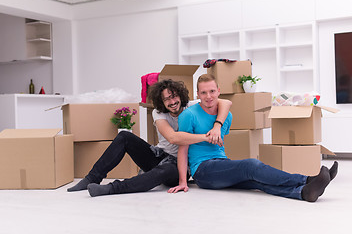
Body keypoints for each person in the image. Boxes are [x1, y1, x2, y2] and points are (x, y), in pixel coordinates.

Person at [168, 74, 338, 202]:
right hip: (202, 171)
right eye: (203, 93)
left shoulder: (226, 116)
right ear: (198, 94)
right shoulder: (189, 115)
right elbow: (183, 148)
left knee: (256, 181)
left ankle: (303, 192)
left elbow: (219, 144)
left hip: (221, 163)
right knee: (251, 165)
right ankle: (308, 178)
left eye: (212, 91)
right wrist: (183, 181)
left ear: (219, 91)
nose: (209, 96)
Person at [67, 79, 232, 197]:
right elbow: (173, 138)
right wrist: (206, 136)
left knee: (166, 170)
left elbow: (225, 102)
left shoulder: (191, 106)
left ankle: (112, 188)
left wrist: (217, 126)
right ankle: (92, 177)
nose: (172, 101)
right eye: (166, 99)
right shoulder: (158, 112)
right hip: (158, 155)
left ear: (181, 95)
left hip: (178, 166)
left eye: (174, 96)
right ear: (161, 102)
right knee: (125, 136)